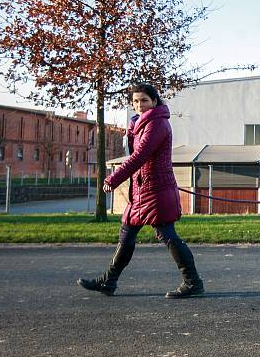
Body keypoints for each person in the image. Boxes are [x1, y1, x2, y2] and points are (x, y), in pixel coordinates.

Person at [77, 83, 204, 298]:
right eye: (135, 101)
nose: (139, 105)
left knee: (167, 234)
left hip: (156, 190)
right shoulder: (139, 124)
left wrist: (114, 178)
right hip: (141, 190)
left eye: (144, 100)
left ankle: (193, 282)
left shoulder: (157, 124)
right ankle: (109, 281)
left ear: (154, 101)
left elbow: (140, 156)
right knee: (126, 234)